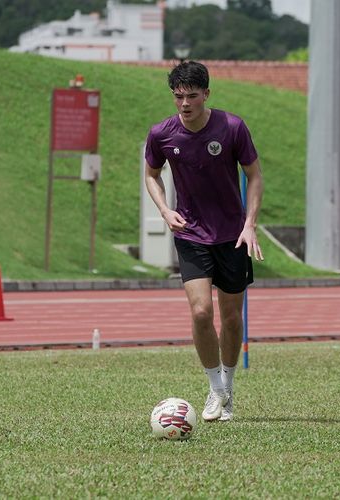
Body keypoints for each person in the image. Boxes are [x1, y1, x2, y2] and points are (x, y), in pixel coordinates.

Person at [144, 61, 264, 422]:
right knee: (200, 311)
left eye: (192, 96)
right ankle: (214, 389)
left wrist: (250, 224)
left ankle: (228, 384)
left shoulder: (232, 127)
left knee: (230, 316)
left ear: (206, 94)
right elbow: (152, 174)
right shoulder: (162, 134)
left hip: (232, 235)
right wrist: (165, 210)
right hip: (191, 233)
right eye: (178, 96)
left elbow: (255, 176)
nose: (184, 104)